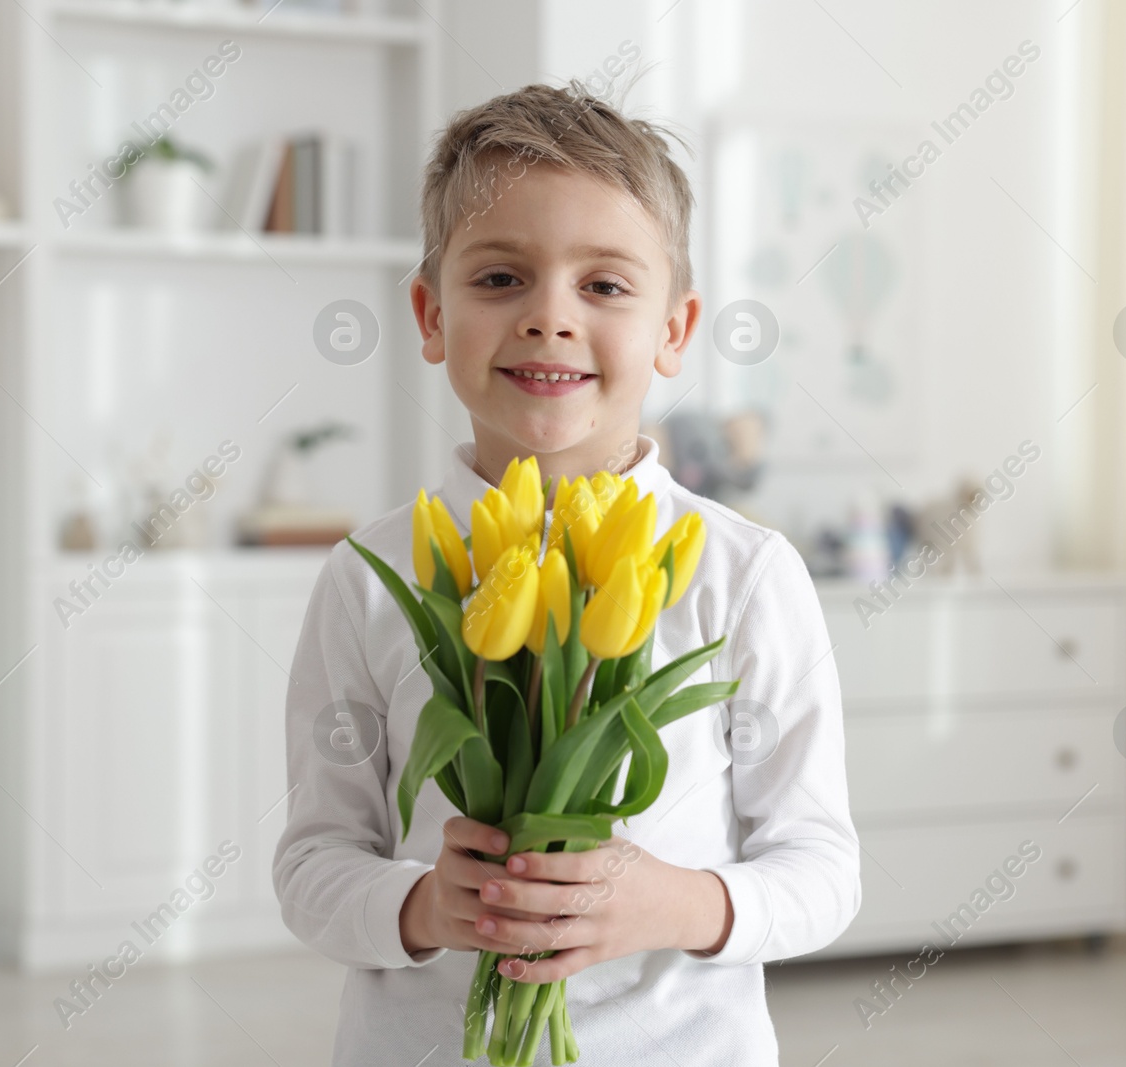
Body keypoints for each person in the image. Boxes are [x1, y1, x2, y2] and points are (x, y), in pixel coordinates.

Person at [273, 80, 860, 1065]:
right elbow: (312, 865)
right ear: (428, 314)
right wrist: (417, 903)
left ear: (675, 330)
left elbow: (823, 870)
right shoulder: (371, 577)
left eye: (605, 285)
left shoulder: (743, 573)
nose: (550, 316)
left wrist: (675, 900)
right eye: (500, 278)